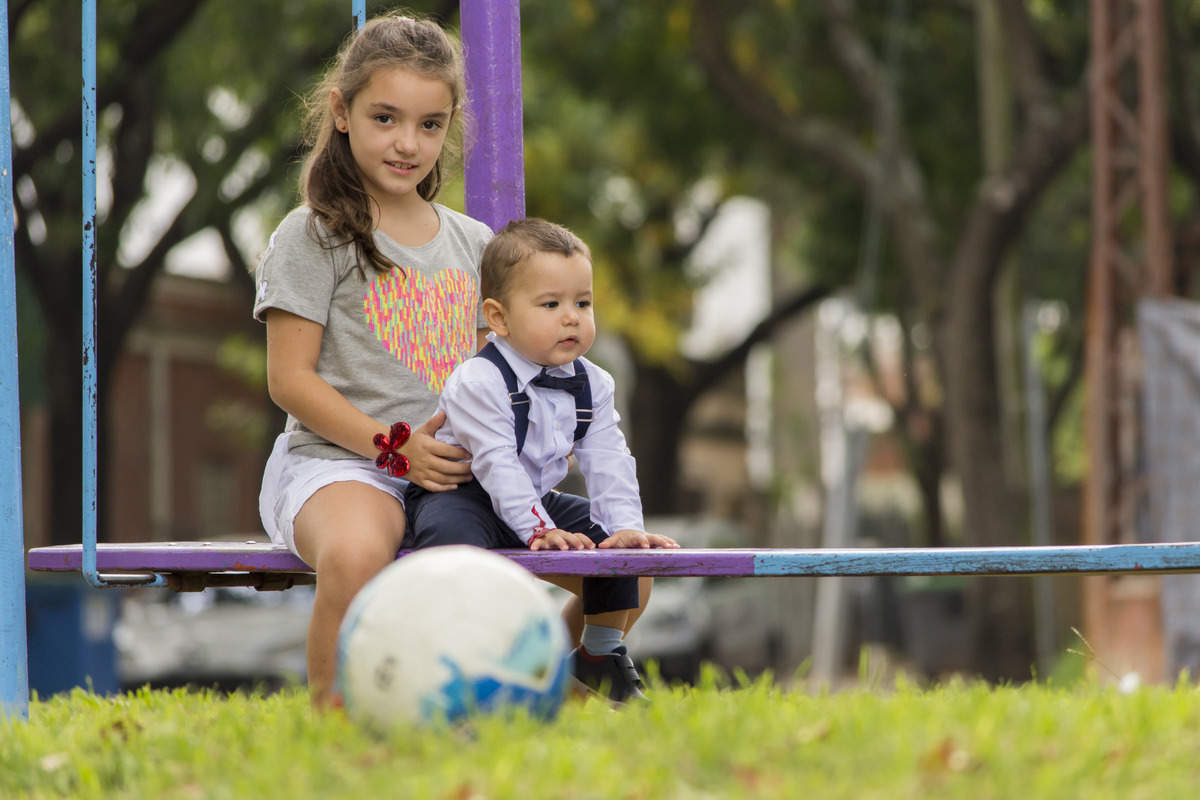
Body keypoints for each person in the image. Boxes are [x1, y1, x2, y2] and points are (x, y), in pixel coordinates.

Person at [253, 11, 491, 709]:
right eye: (385, 118)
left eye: (429, 124)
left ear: (449, 126)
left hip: (446, 471)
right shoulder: (314, 234)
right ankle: (333, 724)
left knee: (604, 561)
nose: (407, 143)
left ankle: (559, 676)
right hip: (338, 464)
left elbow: (491, 379)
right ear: (342, 112)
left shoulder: (475, 244)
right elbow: (289, 380)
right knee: (358, 552)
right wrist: (395, 449)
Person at [404, 218, 680, 704]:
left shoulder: (594, 384)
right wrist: (538, 528)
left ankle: (598, 653)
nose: (571, 317)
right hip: (463, 494)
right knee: (452, 549)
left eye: (583, 303)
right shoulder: (478, 381)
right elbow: (496, 464)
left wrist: (624, 527)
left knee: (618, 549)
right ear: (499, 318)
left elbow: (610, 460)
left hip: (534, 498)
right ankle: (455, 663)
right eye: (551, 305)